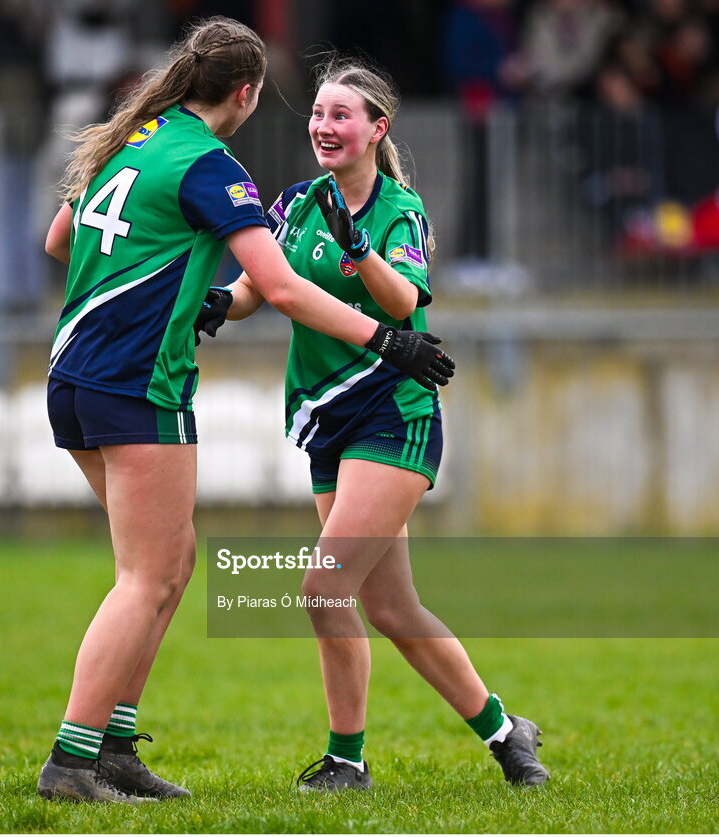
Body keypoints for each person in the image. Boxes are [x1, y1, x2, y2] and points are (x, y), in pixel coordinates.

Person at [37, 18, 454, 805]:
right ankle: (72, 759)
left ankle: (117, 748)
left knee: (171, 562)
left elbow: (61, 239)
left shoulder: (135, 135)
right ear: (247, 91)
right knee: (147, 574)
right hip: (136, 379)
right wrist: (390, 342)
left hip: (74, 369)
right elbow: (286, 287)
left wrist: (170, 278)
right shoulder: (208, 165)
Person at [224, 57, 550, 791]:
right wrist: (222, 304)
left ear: (378, 129)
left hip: (393, 410)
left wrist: (358, 249)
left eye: (342, 114)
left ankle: (346, 758)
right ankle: (506, 731)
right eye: (317, 113)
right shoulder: (297, 201)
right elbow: (255, 285)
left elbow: (404, 301)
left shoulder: (399, 207)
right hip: (325, 416)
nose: (323, 126)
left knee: (322, 587)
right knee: (393, 606)